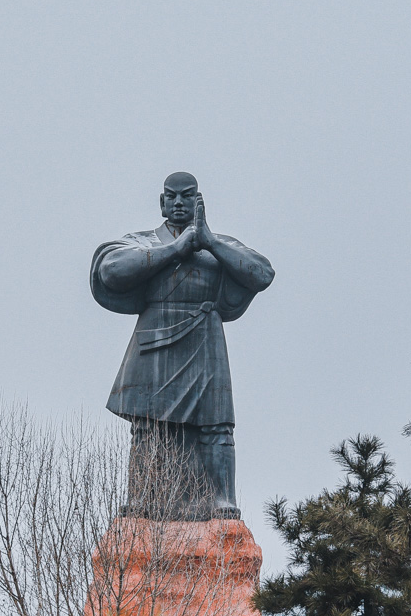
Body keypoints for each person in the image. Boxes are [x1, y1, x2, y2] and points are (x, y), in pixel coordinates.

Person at [91, 172, 274, 517]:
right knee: (147, 427)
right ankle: (144, 497)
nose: (178, 203)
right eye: (171, 197)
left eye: (186, 196)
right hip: (154, 338)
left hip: (205, 335)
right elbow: (110, 271)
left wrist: (210, 242)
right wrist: (176, 249)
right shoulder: (142, 242)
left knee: (217, 425)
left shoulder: (221, 245)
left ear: (198, 201)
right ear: (161, 203)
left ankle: (221, 499)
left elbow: (262, 273)